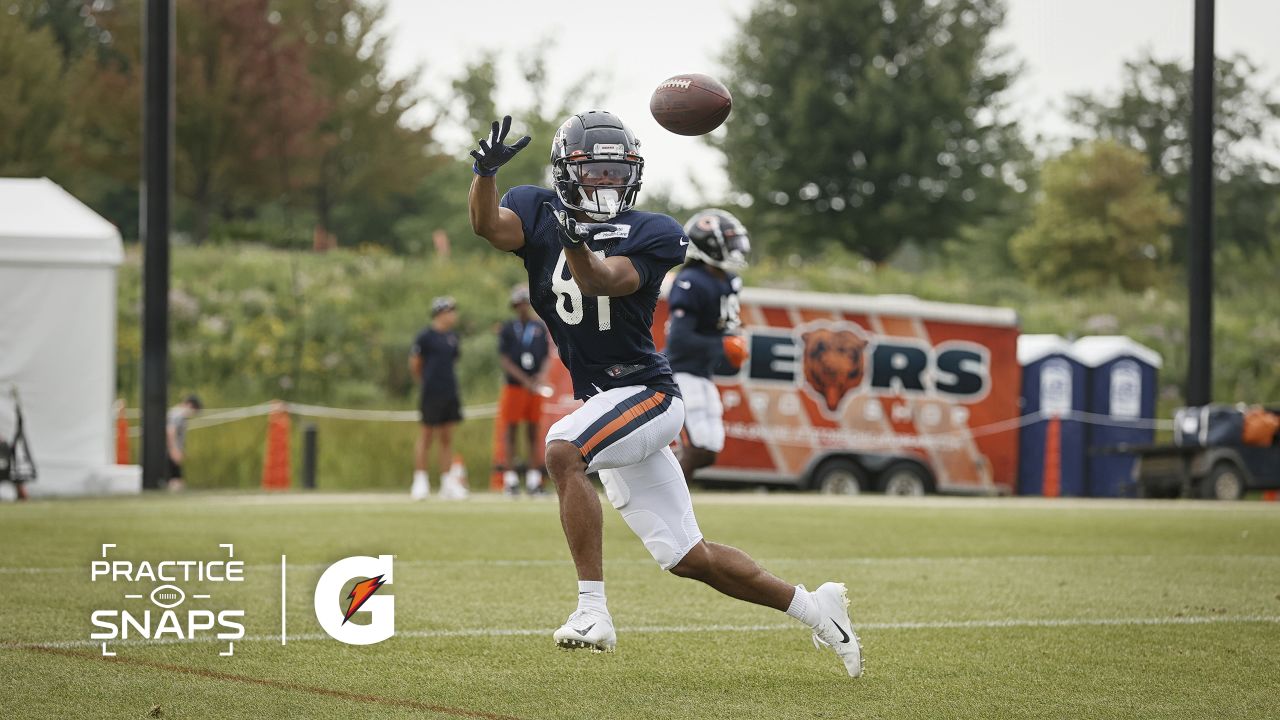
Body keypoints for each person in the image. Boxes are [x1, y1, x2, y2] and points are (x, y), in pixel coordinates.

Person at [467, 113, 862, 676]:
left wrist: (576, 241)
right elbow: (488, 227)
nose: (605, 182)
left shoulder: (654, 230)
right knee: (688, 557)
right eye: (594, 171)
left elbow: (603, 281)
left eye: (614, 171)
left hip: (646, 392)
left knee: (561, 449)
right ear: (566, 172)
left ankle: (591, 611)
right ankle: (817, 609)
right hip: (608, 400)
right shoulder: (536, 209)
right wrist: (483, 174)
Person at [663, 209, 752, 483]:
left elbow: (722, 326)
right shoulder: (692, 281)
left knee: (710, 449)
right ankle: (668, 499)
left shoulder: (727, 281)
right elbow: (678, 339)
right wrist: (722, 346)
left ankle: (665, 490)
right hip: (681, 372)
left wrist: (731, 339)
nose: (735, 249)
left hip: (701, 372)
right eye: (729, 242)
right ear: (711, 245)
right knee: (697, 447)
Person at [410, 296, 468, 500]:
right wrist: (425, 384)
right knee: (426, 436)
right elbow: (416, 364)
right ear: (441, 313)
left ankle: (447, 482)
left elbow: (453, 361)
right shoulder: (425, 337)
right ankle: (420, 481)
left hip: (450, 391)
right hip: (431, 392)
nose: (453, 315)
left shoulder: (453, 337)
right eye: (450, 311)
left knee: (446, 437)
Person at [496, 284, 552, 496]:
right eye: (519, 304)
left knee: (533, 431)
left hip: (534, 386)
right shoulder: (509, 329)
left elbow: (546, 357)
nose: (523, 307)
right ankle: (510, 479)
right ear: (514, 306)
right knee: (511, 430)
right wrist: (524, 379)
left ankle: (533, 479)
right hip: (514, 385)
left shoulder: (538, 328)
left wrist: (539, 377)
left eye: (526, 303)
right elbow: (505, 359)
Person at [166, 394, 202, 491]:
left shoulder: (178, 414)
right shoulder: (178, 414)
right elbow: (170, 431)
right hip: (170, 451)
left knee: (177, 480)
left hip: (173, 450)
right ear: (189, 405)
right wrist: (174, 450)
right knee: (175, 481)